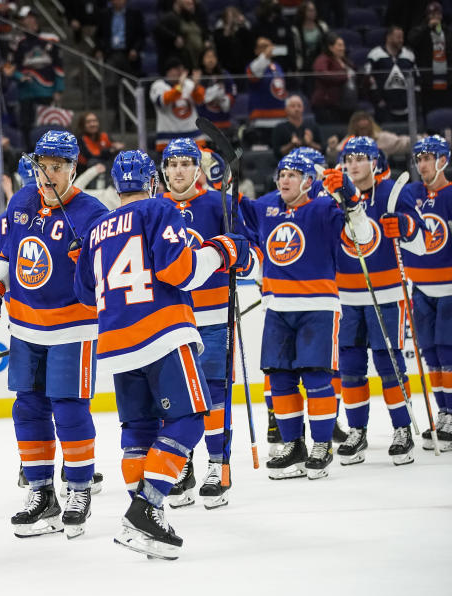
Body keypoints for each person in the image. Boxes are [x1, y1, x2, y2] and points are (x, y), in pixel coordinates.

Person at [73, 150, 250, 558]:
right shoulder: (159, 210)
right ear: (152, 181)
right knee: (189, 420)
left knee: (138, 432)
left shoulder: (97, 227)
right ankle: (146, 509)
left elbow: (84, 293)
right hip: (162, 333)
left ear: (117, 188)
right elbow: (182, 271)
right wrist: (222, 251)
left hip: (116, 344)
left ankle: (147, 519)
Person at [0, 131, 109, 539]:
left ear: (73, 168)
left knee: (69, 410)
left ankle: (79, 489)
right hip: (26, 328)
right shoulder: (21, 202)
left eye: (55, 167)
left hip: (74, 329)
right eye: (41, 166)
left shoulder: (93, 214)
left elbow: (105, 277)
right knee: (27, 410)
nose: (46, 175)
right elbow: (7, 255)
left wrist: (85, 263)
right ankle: (40, 493)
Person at [246, 151, 374, 479]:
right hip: (277, 308)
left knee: (317, 378)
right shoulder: (265, 206)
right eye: (282, 174)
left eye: (293, 174)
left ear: (307, 180)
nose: (284, 179)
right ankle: (293, 445)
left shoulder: (324, 207)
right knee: (280, 378)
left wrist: (350, 198)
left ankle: (321, 444)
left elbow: (363, 238)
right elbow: (236, 224)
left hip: (317, 307)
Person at [157, 138, 256, 509]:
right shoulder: (154, 208)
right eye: (172, 164)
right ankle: (182, 467)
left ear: (198, 169)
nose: (178, 170)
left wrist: (237, 254)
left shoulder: (218, 202)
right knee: (174, 399)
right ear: (164, 170)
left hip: (214, 318)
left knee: (215, 396)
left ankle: (219, 465)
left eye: (186, 163)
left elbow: (250, 255)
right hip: (170, 320)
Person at [332, 137, 418, 466]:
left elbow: (417, 231)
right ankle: (357, 431)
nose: (352, 165)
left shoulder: (393, 192)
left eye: (359, 158)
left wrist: (407, 225)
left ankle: (402, 429)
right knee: (351, 369)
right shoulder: (336, 196)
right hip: (346, 296)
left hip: (385, 294)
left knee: (388, 364)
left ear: (375, 162)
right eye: (347, 159)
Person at [385, 135, 452, 451]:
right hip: (420, 287)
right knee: (431, 354)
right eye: (419, 158)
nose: (422, 164)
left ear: (443, 160)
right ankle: (443, 413)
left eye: (429, 157)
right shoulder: (410, 193)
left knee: (448, 352)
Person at [12, 8, 65, 132]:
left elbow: (59, 66)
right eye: (25, 19)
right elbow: (11, 67)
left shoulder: (51, 39)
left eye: (31, 18)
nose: (29, 21)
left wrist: (59, 89)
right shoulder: (17, 42)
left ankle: (47, 151)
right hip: (26, 90)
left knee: (46, 125)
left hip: (46, 90)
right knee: (26, 125)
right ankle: (28, 151)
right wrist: (19, 76)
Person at [149, 57, 205, 151]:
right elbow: (162, 101)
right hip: (167, 139)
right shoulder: (158, 85)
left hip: (194, 137)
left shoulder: (189, 84)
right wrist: (179, 87)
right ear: (168, 71)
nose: (180, 72)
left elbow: (200, 101)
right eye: (177, 69)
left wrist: (196, 87)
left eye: (182, 69)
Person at [365, 26, 417, 123]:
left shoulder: (409, 55)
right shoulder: (375, 54)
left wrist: (413, 101)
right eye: (398, 37)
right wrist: (378, 100)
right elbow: (368, 78)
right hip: (384, 107)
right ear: (388, 37)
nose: (401, 40)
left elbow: (416, 78)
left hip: (406, 107)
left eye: (402, 37)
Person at [408, 2, 452, 116]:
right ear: (427, 16)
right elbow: (412, 41)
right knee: (430, 111)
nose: (435, 17)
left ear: (441, 16)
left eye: (437, 14)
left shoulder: (447, 31)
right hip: (428, 81)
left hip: (446, 79)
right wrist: (427, 28)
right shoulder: (420, 30)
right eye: (432, 14)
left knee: (446, 112)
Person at [311, 33, 357, 124]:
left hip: (345, 104)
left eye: (343, 45)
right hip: (327, 104)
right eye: (339, 45)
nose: (342, 48)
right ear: (331, 48)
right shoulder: (323, 59)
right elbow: (321, 73)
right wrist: (344, 76)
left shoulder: (345, 60)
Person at [246, 37, 290, 132]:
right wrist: (265, 55)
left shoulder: (277, 66)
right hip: (261, 119)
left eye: (270, 46)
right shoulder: (252, 66)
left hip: (280, 118)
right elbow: (255, 71)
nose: (268, 49)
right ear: (256, 50)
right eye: (264, 46)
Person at [155, 0, 210, 71]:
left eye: (192, 4)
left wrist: (206, 39)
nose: (191, 6)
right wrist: (175, 38)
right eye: (188, 4)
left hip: (194, 61)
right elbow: (157, 29)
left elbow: (204, 29)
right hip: (177, 62)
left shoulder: (192, 18)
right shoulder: (171, 17)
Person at [196, 46, 237, 132]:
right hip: (205, 124)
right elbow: (199, 98)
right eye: (207, 56)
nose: (210, 59)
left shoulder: (224, 74)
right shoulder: (198, 76)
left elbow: (233, 93)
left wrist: (225, 100)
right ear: (202, 59)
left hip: (224, 122)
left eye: (213, 56)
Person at [271, 95, 322, 160]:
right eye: (293, 106)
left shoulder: (313, 126)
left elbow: (322, 150)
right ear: (286, 109)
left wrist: (310, 143)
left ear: (303, 108)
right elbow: (277, 153)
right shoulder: (279, 128)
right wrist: (291, 144)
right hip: (286, 165)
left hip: (310, 163)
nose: (296, 109)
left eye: (299, 106)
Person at [75, 111, 124, 177]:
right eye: (88, 122)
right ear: (82, 125)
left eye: (94, 121)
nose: (92, 124)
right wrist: (110, 151)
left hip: (105, 165)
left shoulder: (103, 136)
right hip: (86, 171)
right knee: (94, 162)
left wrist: (115, 148)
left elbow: (116, 146)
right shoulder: (80, 140)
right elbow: (92, 155)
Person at [213, 6, 256, 75]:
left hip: (242, 66)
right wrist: (228, 28)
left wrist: (243, 23)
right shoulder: (219, 32)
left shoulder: (243, 31)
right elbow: (220, 46)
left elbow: (250, 45)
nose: (232, 19)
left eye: (234, 16)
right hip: (225, 67)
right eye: (229, 17)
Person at [290, 1, 329, 72]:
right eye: (310, 10)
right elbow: (296, 50)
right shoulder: (296, 30)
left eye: (314, 10)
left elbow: (327, 44)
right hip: (304, 63)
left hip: (320, 61)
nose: (313, 12)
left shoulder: (322, 26)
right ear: (303, 12)